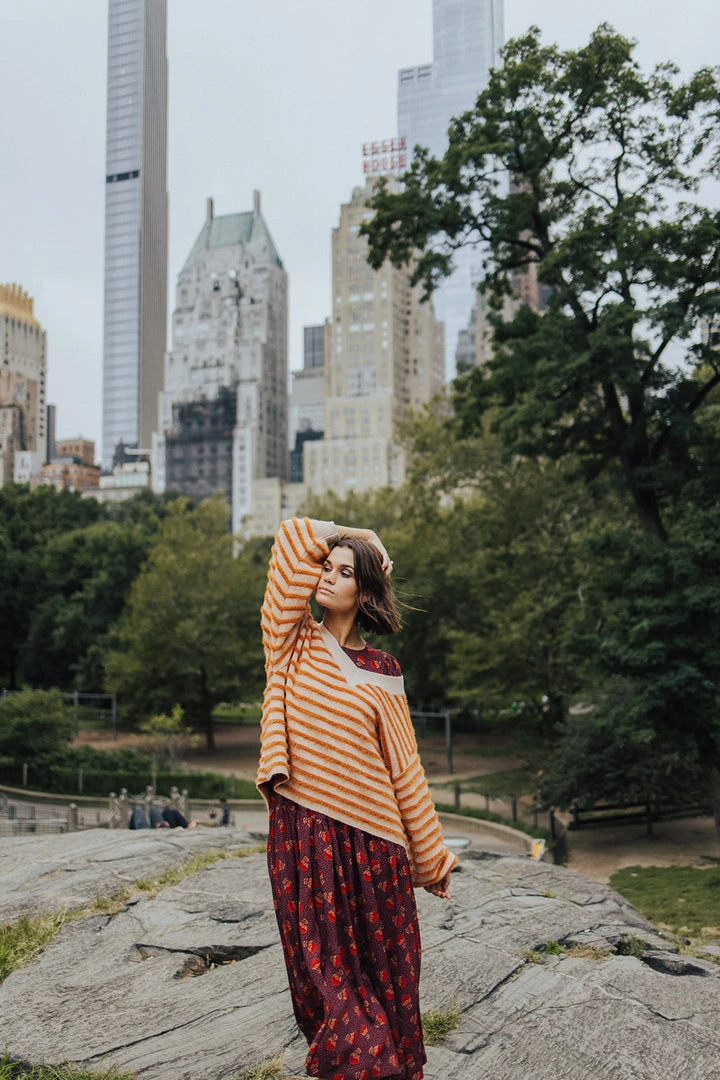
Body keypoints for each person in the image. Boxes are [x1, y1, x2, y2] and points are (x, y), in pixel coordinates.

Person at [257, 517, 456, 1080]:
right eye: (326, 566)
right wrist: (362, 533)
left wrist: (430, 858)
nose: (326, 575)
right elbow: (291, 538)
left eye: (345, 572)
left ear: (364, 592)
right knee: (325, 981)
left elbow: (405, 767)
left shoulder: (384, 671)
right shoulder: (289, 641)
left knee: (389, 976)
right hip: (304, 841)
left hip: (375, 848)